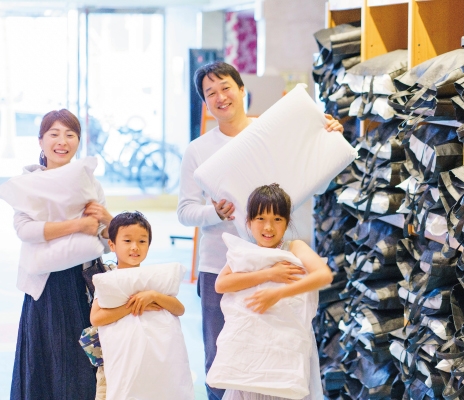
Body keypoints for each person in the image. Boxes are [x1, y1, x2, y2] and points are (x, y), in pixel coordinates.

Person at [177, 61, 343, 400]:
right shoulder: (198, 150)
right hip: (219, 266)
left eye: (226, 88)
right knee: (222, 357)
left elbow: (315, 182)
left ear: (241, 90)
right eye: (211, 93)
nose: (221, 97)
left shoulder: (271, 133)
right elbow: (184, 212)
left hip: (279, 263)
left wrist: (328, 141)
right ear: (205, 103)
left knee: (276, 357)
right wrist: (216, 212)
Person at [10, 109, 113, 400]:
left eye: (70, 134)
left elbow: (108, 241)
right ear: (40, 140)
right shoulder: (29, 183)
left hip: (84, 284)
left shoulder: (90, 183)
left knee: (84, 364)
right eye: (54, 134)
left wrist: (107, 218)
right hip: (46, 288)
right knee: (47, 363)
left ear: (79, 141)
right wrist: (77, 225)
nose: (62, 141)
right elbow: (25, 230)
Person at [214, 183, 333, 399]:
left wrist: (279, 293)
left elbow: (323, 275)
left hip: (284, 347)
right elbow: (221, 284)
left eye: (277, 219)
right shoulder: (245, 252)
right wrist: (269, 274)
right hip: (249, 347)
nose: (268, 227)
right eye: (261, 219)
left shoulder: (294, 248)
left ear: (287, 222)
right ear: (249, 222)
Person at [90, 211, 192, 399]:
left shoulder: (154, 279)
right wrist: (132, 306)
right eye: (127, 241)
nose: (135, 247)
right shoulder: (110, 280)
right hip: (121, 358)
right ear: (112, 244)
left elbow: (179, 309)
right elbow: (96, 317)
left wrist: (153, 296)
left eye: (142, 241)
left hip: (154, 361)